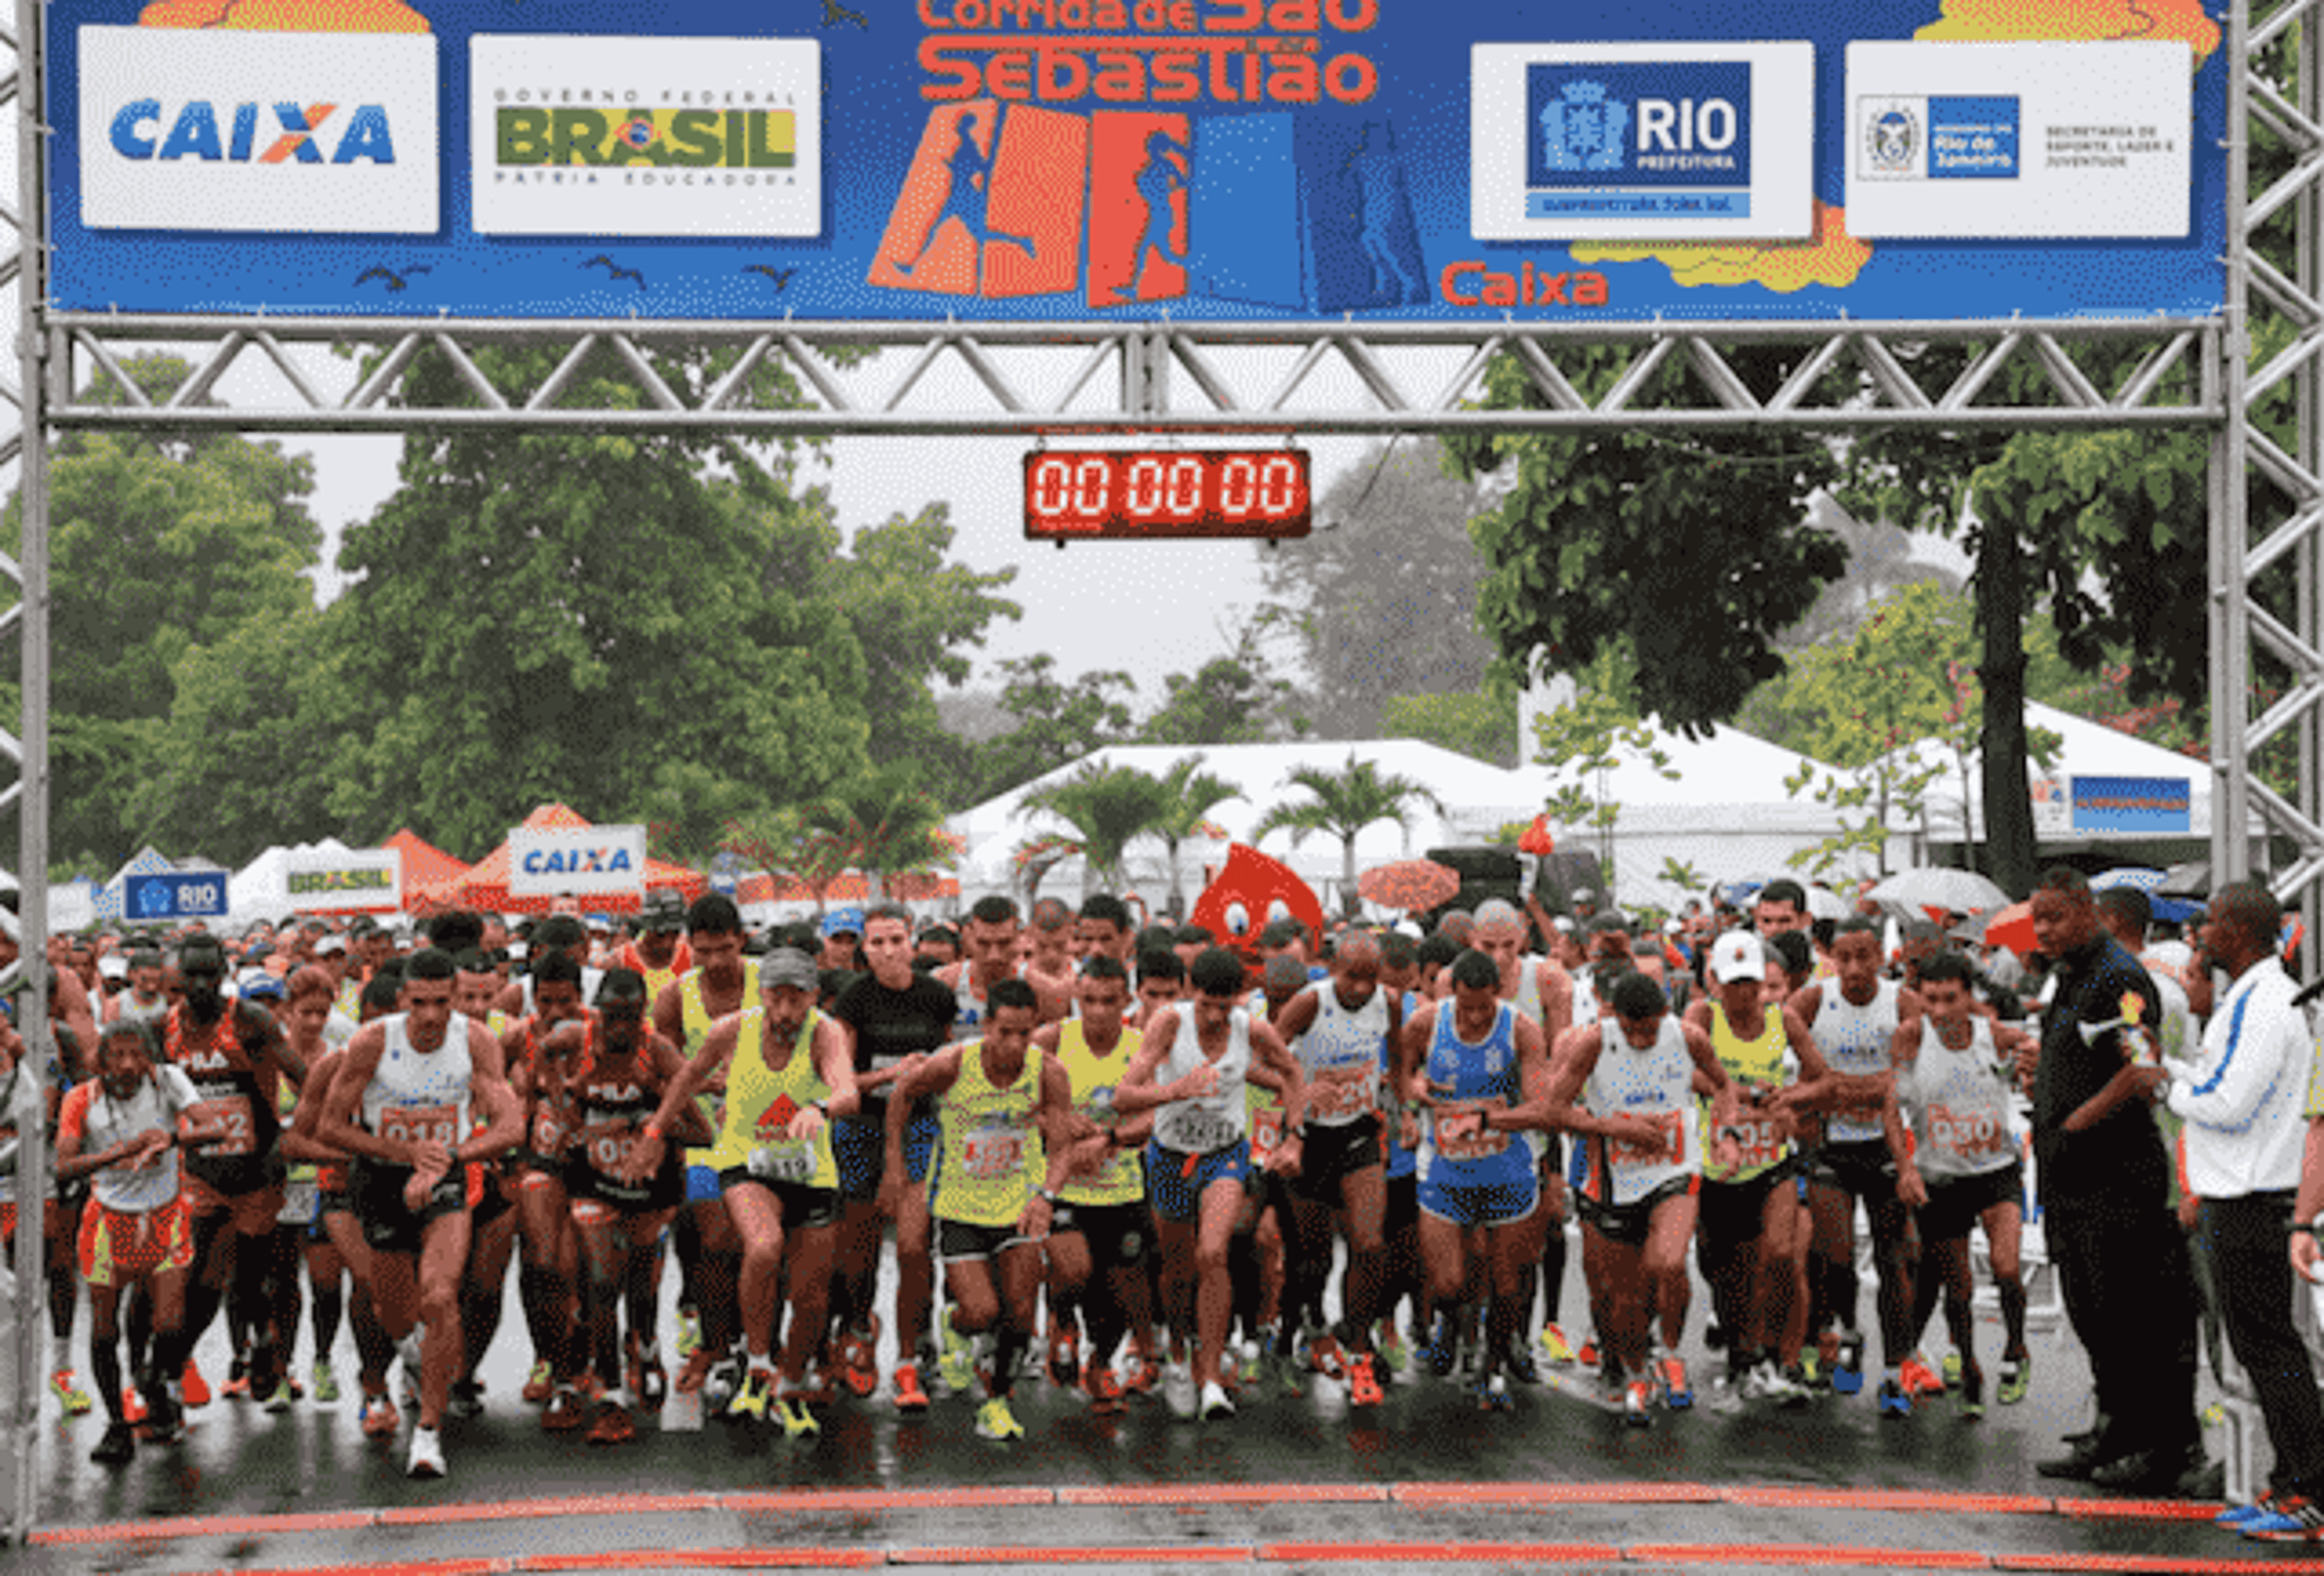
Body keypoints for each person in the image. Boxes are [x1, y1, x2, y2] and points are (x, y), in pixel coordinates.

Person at [2130, 882, 2324, 1538]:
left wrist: (2166, 1083)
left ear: (2239, 931)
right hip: (2243, 1192)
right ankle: (2293, 1485)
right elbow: (2221, 1084)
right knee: (2265, 1350)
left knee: (2271, 1351)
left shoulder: (2264, 1000)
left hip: (2250, 1197)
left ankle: (2310, 1492)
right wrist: (2177, 1073)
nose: (2199, 934)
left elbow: (2226, 1101)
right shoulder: (2254, 996)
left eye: (2209, 923)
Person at [2026, 868, 2202, 1492]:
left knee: (2130, 1315)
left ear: (2086, 910)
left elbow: (2142, 1067)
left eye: (2054, 917)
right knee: (2091, 1311)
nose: (2042, 930)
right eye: (2036, 918)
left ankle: (2154, 1443)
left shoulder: (2122, 979)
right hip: (2069, 1179)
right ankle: (2115, 1426)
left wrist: (2078, 1120)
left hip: (2116, 1178)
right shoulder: (2066, 975)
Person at [317, 948, 523, 1479]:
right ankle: (414, 1353)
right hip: (382, 1181)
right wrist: (406, 1154)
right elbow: (331, 1128)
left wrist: (448, 1157)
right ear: (403, 1000)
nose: (431, 1016)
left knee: (440, 1295)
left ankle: (429, 1432)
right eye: (420, 1003)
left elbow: (509, 1126)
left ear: (456, 999)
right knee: (397, 1317)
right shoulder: (371, 1043)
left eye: (442, 1003)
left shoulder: (474, 1041)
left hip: (443, 1180)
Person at [642, 947, 850, 1437]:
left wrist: (820, 1109)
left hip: (809, 1170)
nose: (784, 1012)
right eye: (776, 998)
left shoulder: (825, 1032)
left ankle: (791, 1381)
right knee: (762, 1246)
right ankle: (757, 1364)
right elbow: (686, 1079)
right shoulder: (732, 1029)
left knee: (811, 1296)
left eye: (796, 1000)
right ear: (761, 995)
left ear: (813, 997)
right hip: (746, 1161)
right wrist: (655, 1133)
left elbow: (846, 1088)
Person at [1114, 947, 1305, 1422]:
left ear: (1239, 1000)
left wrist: (1295, 1137)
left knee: (1213, 1254)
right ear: (1189, 994)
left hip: (1224, 1157)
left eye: (1226, 1006)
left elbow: (1292, 1073)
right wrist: (1175, 1091)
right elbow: (1123, 1096)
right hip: (1171, 1156)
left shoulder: (1251, 1029)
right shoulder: (1169, 1025)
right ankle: (1179, 1348)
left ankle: (1213, 1377)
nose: (1216, 1017)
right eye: (1206, 1005)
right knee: (1178, 1269)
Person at [885, 975, 1077, 1442]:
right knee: (980, 1311)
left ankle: (996, 1403)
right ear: (986, 1025)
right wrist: (895, 1165)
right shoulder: (952, 1064)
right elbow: (901, 1096)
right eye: (1004, 1031)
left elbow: (1063, 1148)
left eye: (1024, 1033)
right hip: (960, 1205)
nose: (1014, 1044)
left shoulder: (1047, 1072)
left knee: (1019, 1311)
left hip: (1018, 1203)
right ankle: (953, 1325)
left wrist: (1045, 1196)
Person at [1545, 970, 1740, 1427]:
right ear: (1614, 1018)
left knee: (1668, 1263)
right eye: (1630, 1029)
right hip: (1613, 1179)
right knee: (1626, 1298)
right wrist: (1610, 1127)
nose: (1638, 1038)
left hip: (1675, 1169)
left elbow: (1724, 1086)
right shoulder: (1593, 1043)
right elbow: (1554, 1109)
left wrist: (1725, 1135)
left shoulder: (1687, 1037)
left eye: (1648, 1030)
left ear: (1664, 1016)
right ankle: (1637, 1373)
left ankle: (1670, 1353)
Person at [55, 1017, 230, 1465]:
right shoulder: (81, 1098)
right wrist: (119, 1153)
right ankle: (117, 1424)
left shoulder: (169, 1080)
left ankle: (154, 1382)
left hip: (165, 1217)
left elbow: (215, 1129)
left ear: (151, 1056)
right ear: (103, 1061)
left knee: (170, 1325)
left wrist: (169, 1138)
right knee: (104, 1330)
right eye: (118, 1056)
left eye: (138, 1054)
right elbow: (63, 1166)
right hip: (106, 1226)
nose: (129, 1065)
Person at [540, 968, 703, 1445]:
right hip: (593, 1182)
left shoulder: (659, 1052)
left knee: (640, 1282)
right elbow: (543, 1054)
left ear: (643, 1016)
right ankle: (611, 1399)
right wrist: (563, 1100)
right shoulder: (576, 1038)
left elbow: (702, 1133)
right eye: (612, 1015)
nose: (621, 1028)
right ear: (597, 1010)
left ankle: (646, 1350)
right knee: (601, 1281)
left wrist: (647, 1128)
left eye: (631, 1017)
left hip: (651, 1186)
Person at [1396, 947, 1552, 1411]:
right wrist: (1414, 1095)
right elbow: (1401, 1075)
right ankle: (1452, 1324)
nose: (1477, 1017)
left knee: (1507, 1285)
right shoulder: (1427, 1024)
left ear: (1498, 995)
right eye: (1468, 1008)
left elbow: (1538, 1106)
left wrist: (1486, 1118)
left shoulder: (1521, 1029)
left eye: (1485, 1006)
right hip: (1445, 1168)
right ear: (1453, 995)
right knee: (1447, 1282)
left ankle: (1492, 1365)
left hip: (1505, 1168)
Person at [1885, 950, 2038, 1420]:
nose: (1940, 1010)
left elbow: (2035, 1056)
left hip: (1995, 1171)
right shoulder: (1910, 1038)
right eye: (1930, 999)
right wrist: (1906, 1167)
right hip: (1941, 1175)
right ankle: (1969, 1367)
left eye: (1950, 999)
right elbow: (1891, 1109)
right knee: (1959, 1288)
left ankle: (2016, 1349)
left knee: (2007, 1266)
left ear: (1968, 997)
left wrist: (2032, 1060)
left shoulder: (1992, 1035)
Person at [165, 931, 306, 1417]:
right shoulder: (163, 1030)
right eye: (192, 975)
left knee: (249, 1278)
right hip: (201, 1174)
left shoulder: (250, 1020)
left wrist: (289, 1135)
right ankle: (170, 1370)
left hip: (257, 1170)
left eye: (210, 974)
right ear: (178, 977)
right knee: (199, 1278)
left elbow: (304, 1081)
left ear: (225, 975)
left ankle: (264, 1344)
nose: (201, 984)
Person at [827, 902, 960, 1410]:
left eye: (896, 940)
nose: (887, 951)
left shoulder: (937, 996)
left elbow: (951, 1070)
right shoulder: (853, 998)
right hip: (862, 1128)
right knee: (857, 1250)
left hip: (922, 1128)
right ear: (864, 948)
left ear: (913, 943)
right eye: (877, 942)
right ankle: (860, 1331)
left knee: (912, 1244)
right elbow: (842, 1081)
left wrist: (931, 1075)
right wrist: (889, 1077)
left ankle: (909, 1356)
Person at [1687, 931, 1828, 1406]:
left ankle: (1774, 1360)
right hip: (1718, 1167)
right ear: (1714, 982)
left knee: (1781, 1254)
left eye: (1752, 983)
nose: (1746, 994)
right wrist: (1736, 1093)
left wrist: (1791, 1098)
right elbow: (1679, 1069)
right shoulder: (1703, 1017)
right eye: (1735, 984)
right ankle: (1741, 1356)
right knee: (1723, 1269)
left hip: (1772, 1160)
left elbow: (1822, 1079)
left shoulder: (1781, 1019)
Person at [1787, 916, 1923, 1396]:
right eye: (1843, 957)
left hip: (1886, 1147)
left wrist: (1845, 1089)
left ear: (1880, 958)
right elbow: (1791, 1065)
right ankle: (1846, 1330)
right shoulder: (1813, 1000)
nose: (1853, 967)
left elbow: (1905, 1080)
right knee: (1835, 1256)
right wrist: (1828, 1093)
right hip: (1831, 1147)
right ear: (1832, 959)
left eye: (1863, 956)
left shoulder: (1901, 1001)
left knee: (1895, 1261)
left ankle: (1895, 1367)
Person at [1269, 930, 1401, 1408]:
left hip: (1359, 1135)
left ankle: (1360, 1351)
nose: (1362, 988)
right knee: (1313, 1258)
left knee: (1370, 1244)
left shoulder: (1388, 1002)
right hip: (1310, 1140)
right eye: (1353, 977)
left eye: (1371, 977)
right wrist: (1300, 1097)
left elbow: (1401, 1058)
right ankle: (1300, 1328)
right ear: (1331, 967)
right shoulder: (1309, 1004)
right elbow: (1266, 1058)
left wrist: (1403, 1105)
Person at [1031, 954, 1153, 1413]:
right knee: (1075, 1268)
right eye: (1089, 1001)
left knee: (1117, 1288)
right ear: (1076, 999)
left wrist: (1110, 1139)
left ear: (1126, 1000)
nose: (1098, 1012)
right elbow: (1021, 1103)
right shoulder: (1052, 1040)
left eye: (1109, 1001)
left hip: (1122, 1187)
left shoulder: (1142, 1047)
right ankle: (1062, 1319)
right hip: (1064, 1187)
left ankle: (1101, 1363)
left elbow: (1158, 1114)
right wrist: (1057, 1125)